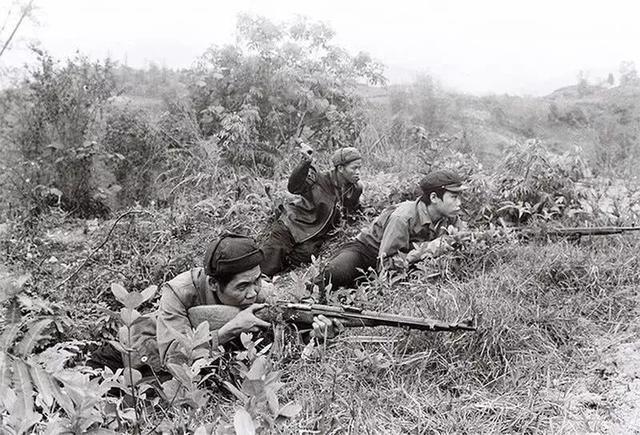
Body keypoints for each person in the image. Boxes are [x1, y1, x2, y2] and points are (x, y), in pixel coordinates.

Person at [88, 234, 339, 374]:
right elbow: (175, 356)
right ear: (214, 284)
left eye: (257, 280)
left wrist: (319, 334)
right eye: (242, 287)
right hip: (133, 352)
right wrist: (229, 330)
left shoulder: (262, 290)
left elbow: (295, 317)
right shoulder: (179, 291)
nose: (253, 293)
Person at [317, 170, 467, 290]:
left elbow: (463, 239)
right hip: (366, 253)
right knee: (331, 276)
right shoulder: (402, 217)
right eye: (454, 197)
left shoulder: (449, 215)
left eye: (459, 197)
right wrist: (428, 249)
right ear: (434, 198)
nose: (459, 203)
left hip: (402, 258)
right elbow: (386, 263)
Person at [260, 143, 364, 276]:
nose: (358, 172)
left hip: (312, 237)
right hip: (291, 225)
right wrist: (305, 163)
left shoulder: (355, 189)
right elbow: (294, 187)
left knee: (299, 259)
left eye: (359, 168)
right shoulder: (319, 179)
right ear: (341, 168)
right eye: (354, 168)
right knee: (267, 263)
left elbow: (353, 211)